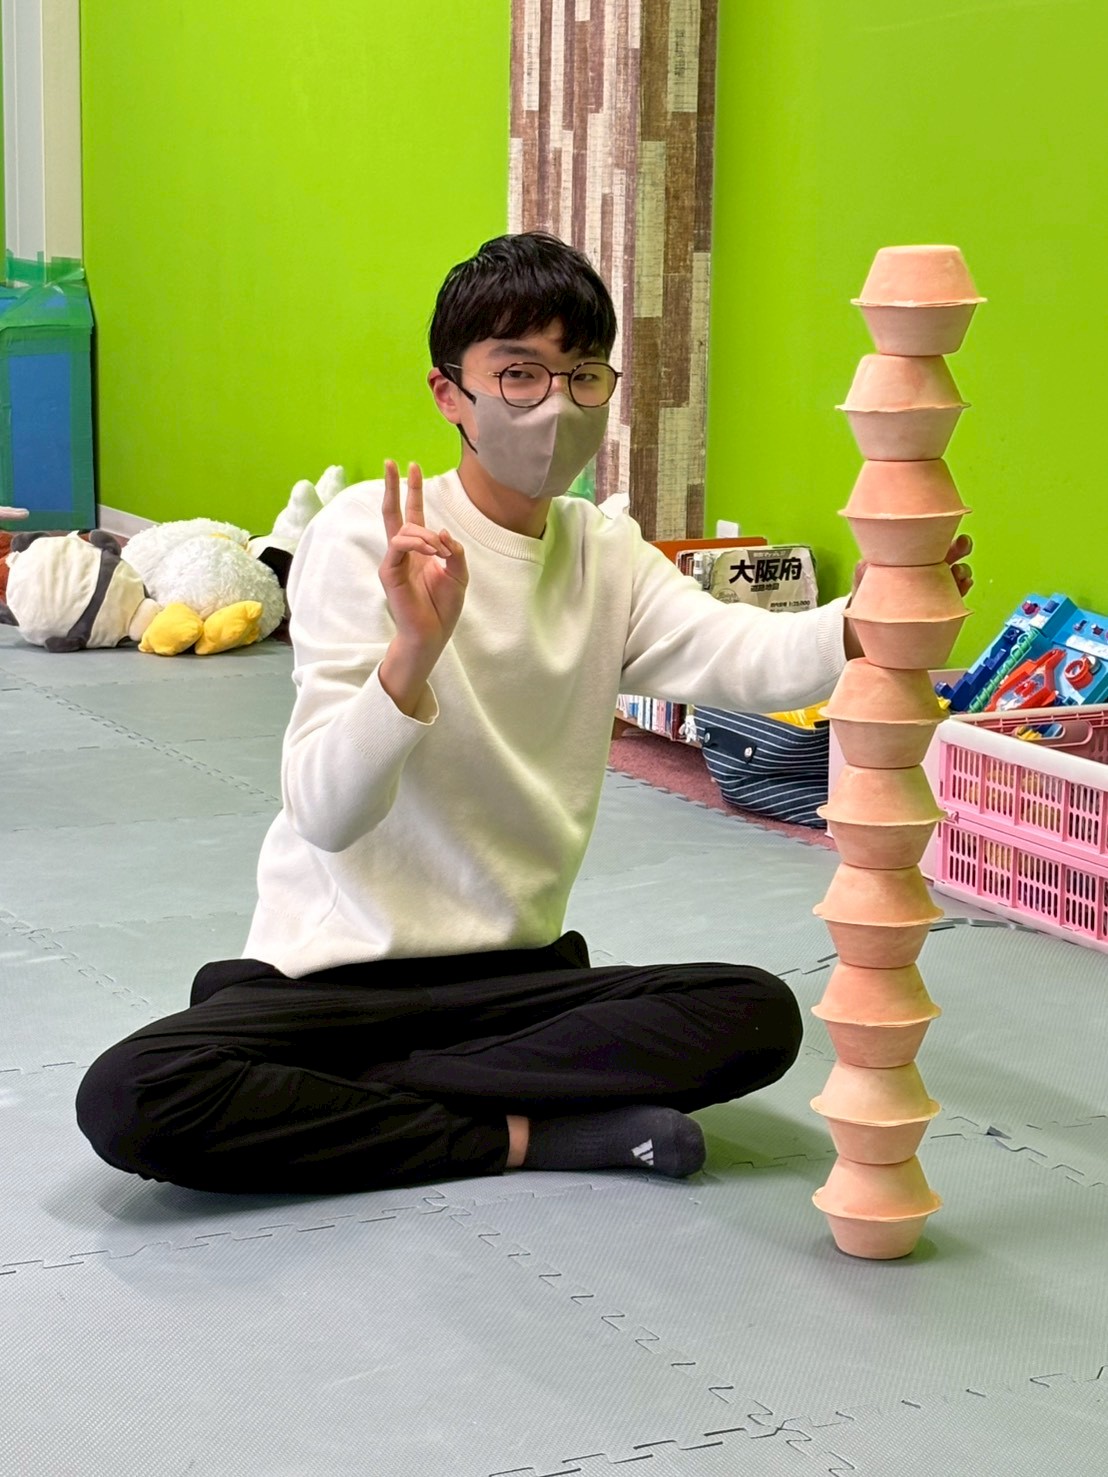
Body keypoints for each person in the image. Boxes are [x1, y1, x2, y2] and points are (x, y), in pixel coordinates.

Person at [76, 232, 973, 1195]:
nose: (555, 405)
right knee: (132, 1094)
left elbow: (741, 653)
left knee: (756, 1012)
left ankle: (354, 1098)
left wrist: (867, 616)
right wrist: (412, 654)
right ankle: (521, 1136)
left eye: (583, 375)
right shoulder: (370, 536)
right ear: (448, 393)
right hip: (334, 980)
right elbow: (326, 814)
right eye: (518, 374)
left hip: (519, 981)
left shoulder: (604, 552)